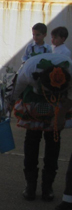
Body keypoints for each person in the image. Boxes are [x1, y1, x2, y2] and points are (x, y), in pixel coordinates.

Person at [12, 49, 72, 200]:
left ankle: (48, 187)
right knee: (32, 141)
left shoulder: (71, 71)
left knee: (53, 142)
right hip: (33, 102)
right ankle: (30, 186)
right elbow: (16, 90)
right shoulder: (28, 70)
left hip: (59, 104)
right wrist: (8, 103)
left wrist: (62, 114)